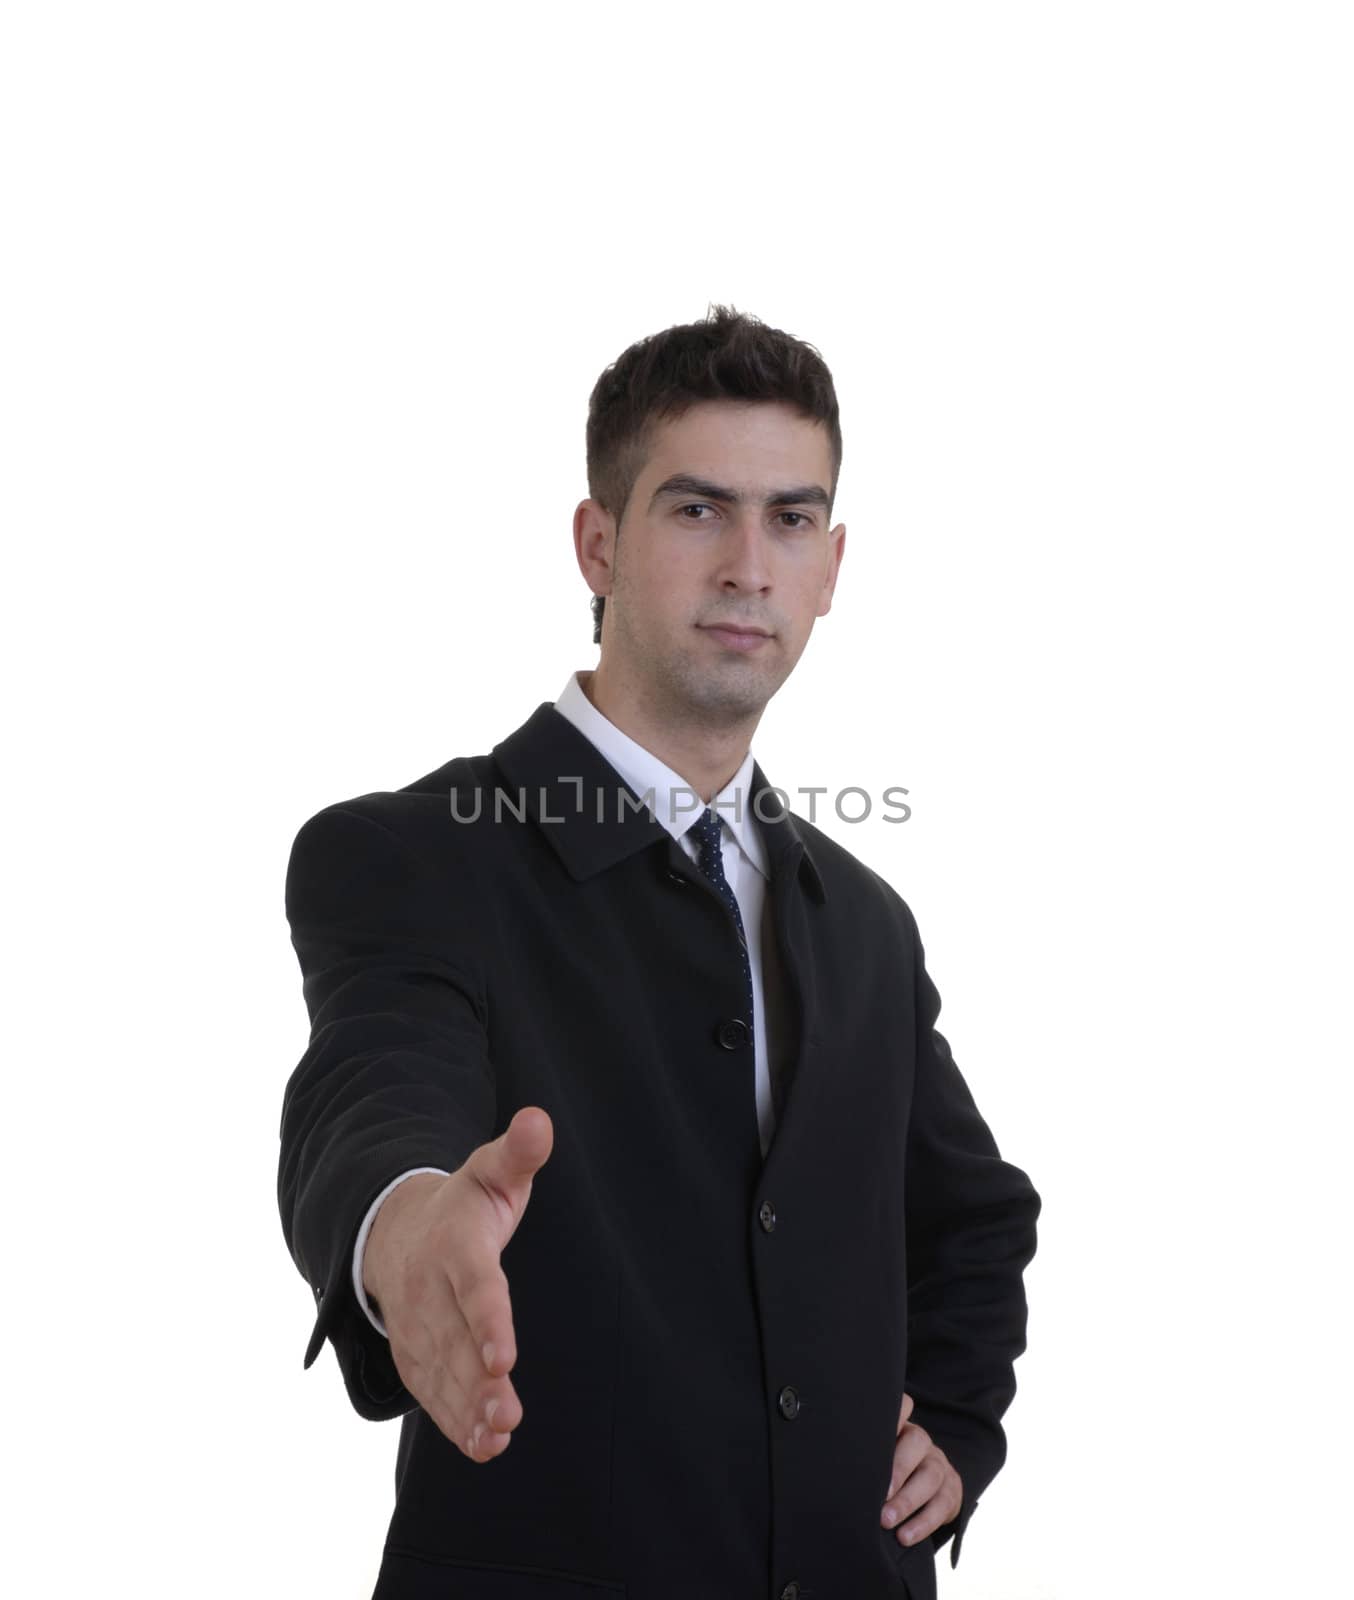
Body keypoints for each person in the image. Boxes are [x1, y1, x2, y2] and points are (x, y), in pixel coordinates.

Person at [278, 304, 1040, 1600]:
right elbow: (377, 1084)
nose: (749, 564)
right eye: (696, 510)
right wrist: (401, 1230)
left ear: (831, 564)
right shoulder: (418, 855)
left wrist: (959, 1426)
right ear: (598, 544)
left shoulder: (861, 919)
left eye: (790, 519)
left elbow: (972, 1217)